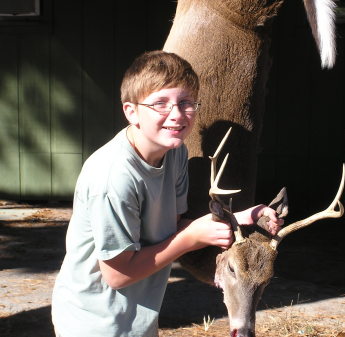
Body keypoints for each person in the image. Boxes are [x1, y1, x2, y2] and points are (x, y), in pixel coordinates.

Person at [51, 50, 282, 337]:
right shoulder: (113, 179)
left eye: (186, 102)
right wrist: (190, 239)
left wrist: (241, 217)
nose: (176, 114)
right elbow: (117, 274)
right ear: (131, 111)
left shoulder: (173, 153)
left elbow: (167, 230)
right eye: (160, 104)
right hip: (96, 323)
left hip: (138, 318)